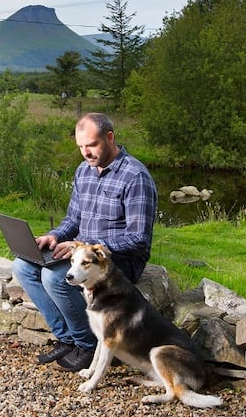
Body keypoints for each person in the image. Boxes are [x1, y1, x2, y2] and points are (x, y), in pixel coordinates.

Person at [12, 113, 158, 372]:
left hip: (118, 260)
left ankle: (87, 345)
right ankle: (66, 339)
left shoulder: (135, 176)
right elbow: (73, 219)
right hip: (83, 253)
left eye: (91, 145)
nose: (85, 153)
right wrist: (55, 235)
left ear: (110, 137)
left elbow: (138, 239)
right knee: (22, 267)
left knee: (54, 278)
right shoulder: (84, 171)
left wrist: (86, 245)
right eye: (81, 147)